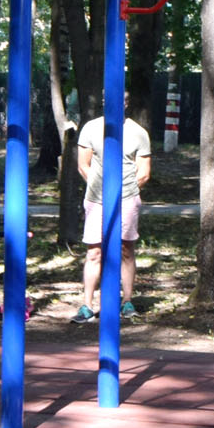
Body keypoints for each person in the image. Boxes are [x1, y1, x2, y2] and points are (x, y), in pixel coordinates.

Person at [71, 113, 152, 322]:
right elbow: (83, 165)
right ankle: (87, 305)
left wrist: (123, 191)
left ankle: (127, 302)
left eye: (125, 100)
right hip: (96, 199)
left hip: (127, 198)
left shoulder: (138, 132)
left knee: (126, 248)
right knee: (94, 251)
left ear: (128, 103)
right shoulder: (91, 127)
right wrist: (103, 190)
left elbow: (144, 172)